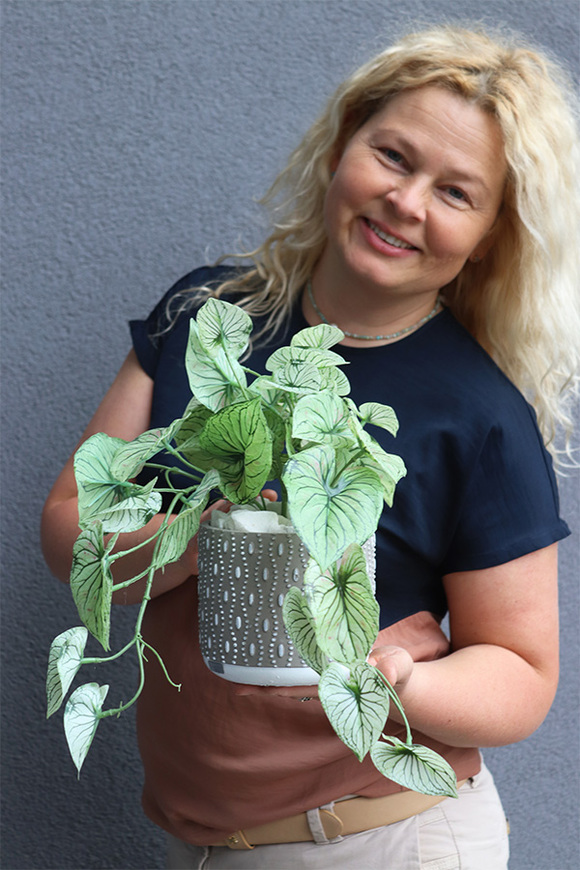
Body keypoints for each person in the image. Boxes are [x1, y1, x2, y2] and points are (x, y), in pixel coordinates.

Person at [41, 24, 579, 870]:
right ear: (341, 145)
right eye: (395, 157)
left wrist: (399, 678)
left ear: (489, 235)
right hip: (208, 844)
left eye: (456, 193)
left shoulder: (479, 413)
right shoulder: (207, 319)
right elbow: (70, 521)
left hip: (378, 841)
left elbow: (523, 675)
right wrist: (186, 538)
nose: (407, 202)